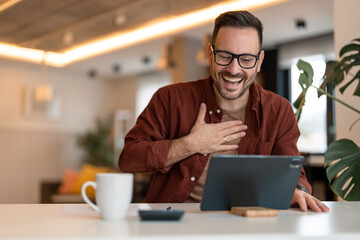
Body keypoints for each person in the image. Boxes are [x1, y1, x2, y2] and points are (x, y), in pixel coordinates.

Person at [119, 10, 329, 213]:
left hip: (246, 223)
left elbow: (294, 176)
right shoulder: (169, 99)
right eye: (225, 56)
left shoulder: (279, 110)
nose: (234, 69)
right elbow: (128, 159)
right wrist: (189, 144)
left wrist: (297, 191)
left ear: (259, 62)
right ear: (210, 55)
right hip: (175, 223)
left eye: (246, 59)